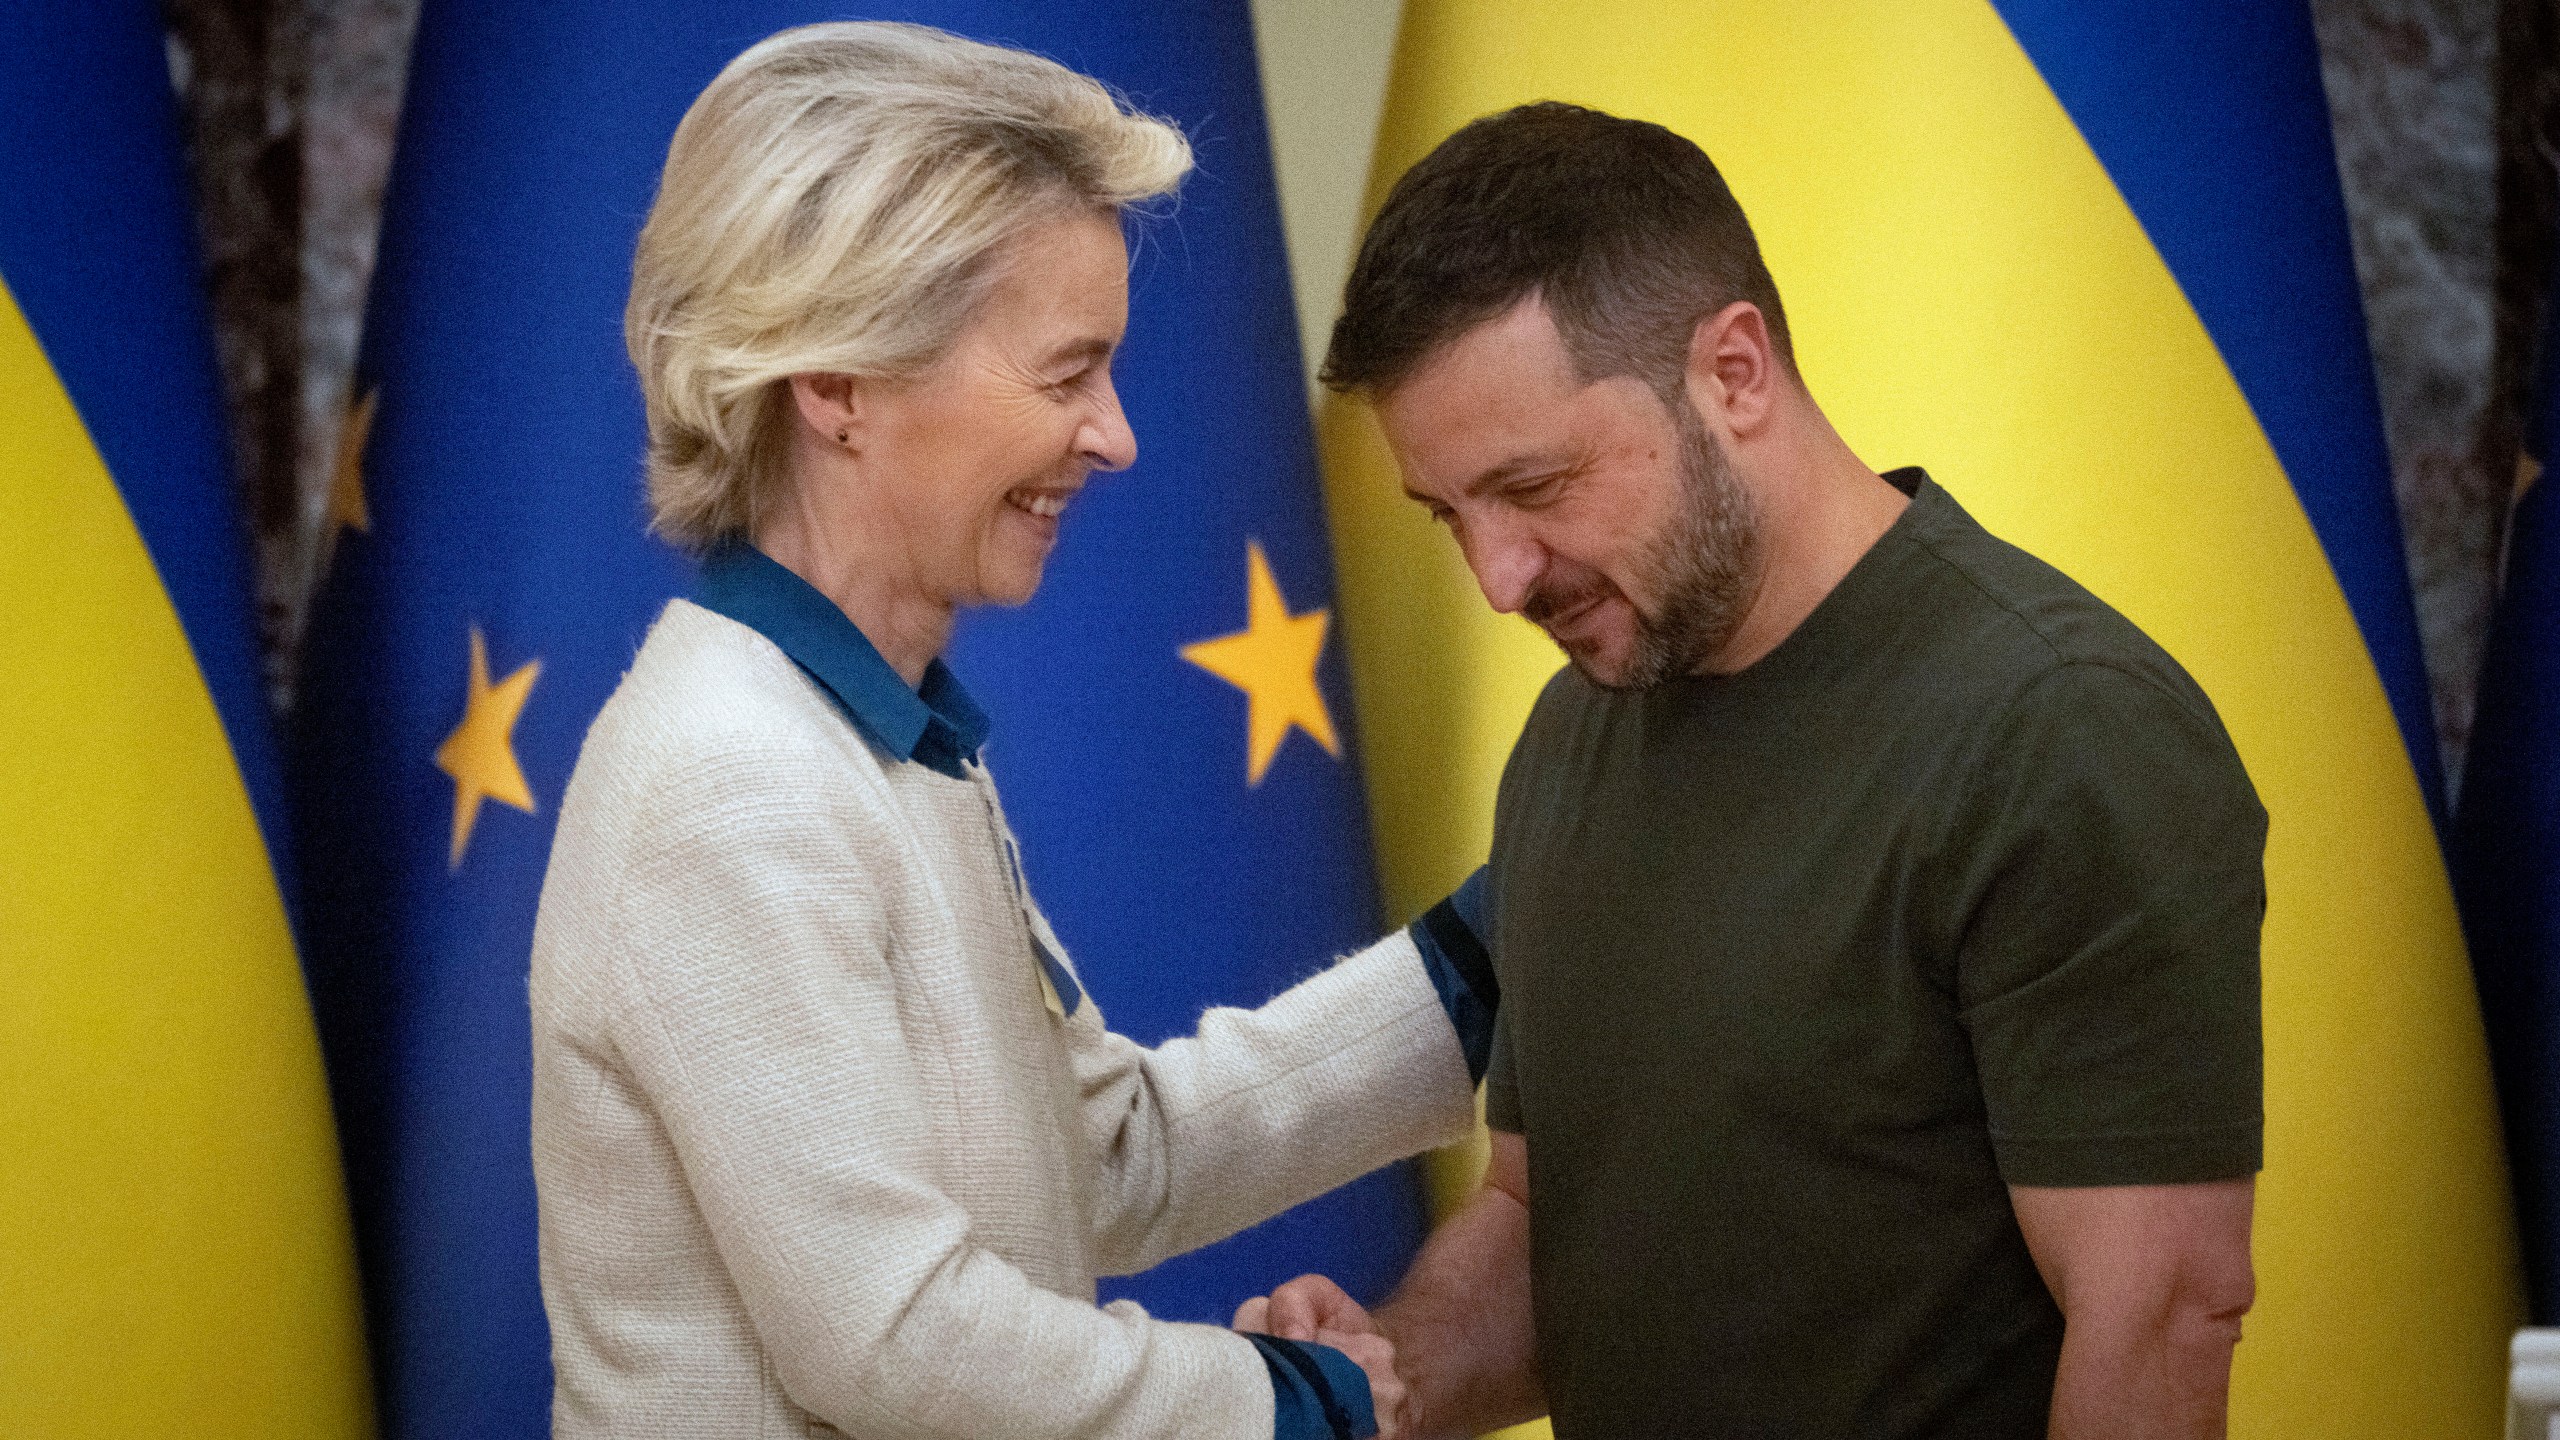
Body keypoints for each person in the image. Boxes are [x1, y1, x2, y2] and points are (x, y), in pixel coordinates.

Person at [1237, 102, 2266, 1438]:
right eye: (1451, 517)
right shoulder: (1573, 735)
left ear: (1733, 371)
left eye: (1536, 487)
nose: (1498, 579)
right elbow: (1543, 1228)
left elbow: (2163, 1316)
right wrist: (1379, 1379)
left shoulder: (2057, 730)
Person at [528, 24, 1495, 1440]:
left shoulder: (880, 743)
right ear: (839, 382)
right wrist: (1285, 1408)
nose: (1116, 438)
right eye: (1066, 374)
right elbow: (892, 1339)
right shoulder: (728, 782)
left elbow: (1106, 1154)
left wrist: (1486, 967)